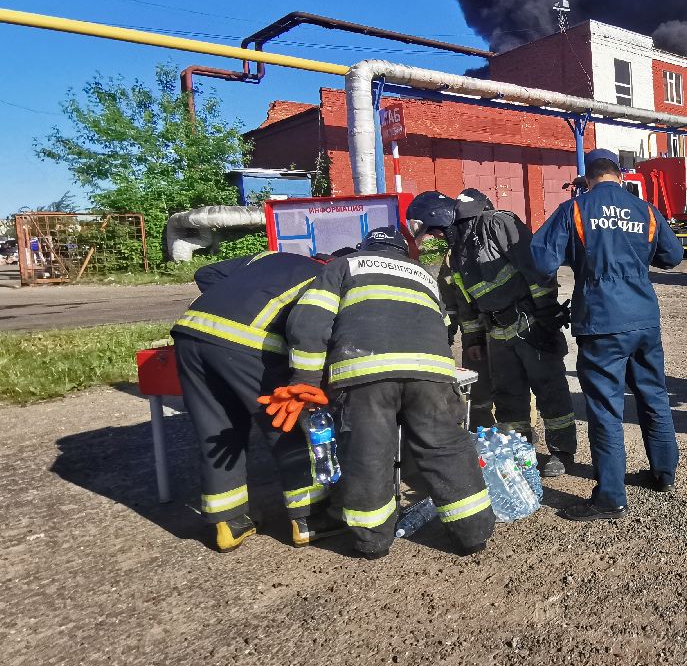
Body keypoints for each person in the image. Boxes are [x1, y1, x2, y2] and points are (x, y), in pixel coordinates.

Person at [284, 226, 494, 559]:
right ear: (402, 251)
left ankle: (373, 541)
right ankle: (473, 534)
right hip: (431, 373)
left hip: (365, 372)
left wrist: (306, 381)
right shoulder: (423, 275)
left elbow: (309, 323)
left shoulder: (344, 266)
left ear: (365, 247)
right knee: (445, 447)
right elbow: (440, 325)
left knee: (369, 452)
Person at [531, 149, 685, 522]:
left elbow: (541, 259)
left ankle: (610, 498)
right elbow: (673, 256)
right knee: (654, 396)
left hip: (602, 322)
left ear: (588, 178)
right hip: (644, 319)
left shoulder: (578, 209)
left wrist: (577, 254)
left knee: (605, 409)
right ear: (619, 175)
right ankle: (663, 475)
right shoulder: (645, 209)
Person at [171, 250, 342, 551]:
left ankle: (230, 523)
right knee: (286, 422)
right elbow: (309, 326)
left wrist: (234, 302)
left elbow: (206, 274)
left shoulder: (267, 256)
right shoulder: (326, 278)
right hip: (249, 343)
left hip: (189, 332)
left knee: (217, 430)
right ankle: (310, 520)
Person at [444, 188, 576, 477]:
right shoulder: (457, 249)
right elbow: (465, 298)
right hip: (496, 333)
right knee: (507, 397)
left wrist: (544, 312)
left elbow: (536, 266)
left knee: (549, 388)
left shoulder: (497, 223)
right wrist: (474, 338)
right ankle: (519, 451)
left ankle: (562, 452)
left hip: (529, 321)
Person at [405, 191, 496, 431]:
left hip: (495, 320)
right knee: (476, 382)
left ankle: (512, 431)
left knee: (505, 379)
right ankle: (478, 427)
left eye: (431, 231)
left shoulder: (474, 243)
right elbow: (452, 293)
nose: (429, 238)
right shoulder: (448, 248)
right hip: (465, 324)